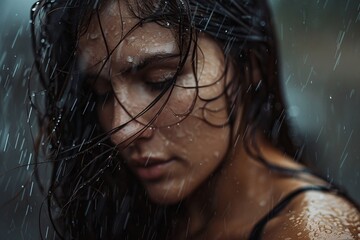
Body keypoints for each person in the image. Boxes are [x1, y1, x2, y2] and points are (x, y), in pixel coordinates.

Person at [30, 0, 360, 239]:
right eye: (102, 93)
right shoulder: (136, 212)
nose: (122, 130)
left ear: (248, 66)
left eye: (160, 80)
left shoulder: (313, 230)